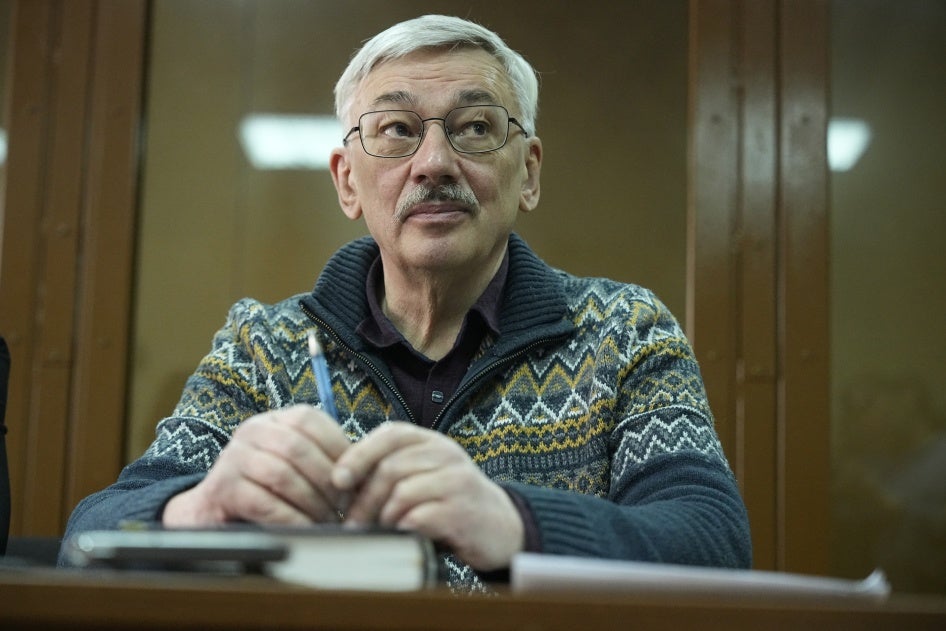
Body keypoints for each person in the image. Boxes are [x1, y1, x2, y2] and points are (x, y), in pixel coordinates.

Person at [59, 14, 751, 591]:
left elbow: (713, 540)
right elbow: (88, 537)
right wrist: (202, 506)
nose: (434, 162)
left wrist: (513, 523)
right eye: (396, 131)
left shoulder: (626, 332)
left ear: (529, 172)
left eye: (476, 127)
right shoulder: (261, 348)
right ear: (347, 181)